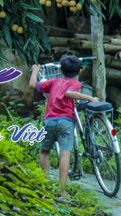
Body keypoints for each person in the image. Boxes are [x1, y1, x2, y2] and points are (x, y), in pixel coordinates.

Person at [28, 55, 98, 193]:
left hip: (49, 122)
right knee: (65, 154)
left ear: (61, 71)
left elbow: (32, 85)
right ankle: (62, 189)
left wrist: (35, 70)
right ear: (79, 72)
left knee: (44, 151)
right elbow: (70, 93)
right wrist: (90, 98)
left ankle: (45, 183)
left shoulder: (53, 82)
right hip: (66, 122)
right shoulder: (75, 84)